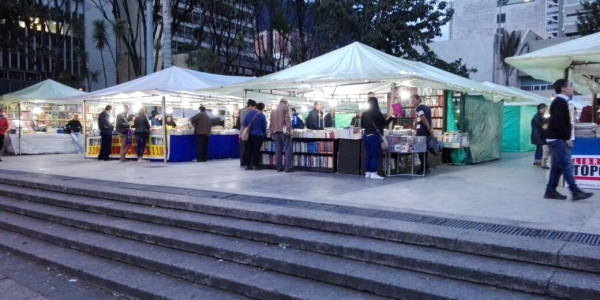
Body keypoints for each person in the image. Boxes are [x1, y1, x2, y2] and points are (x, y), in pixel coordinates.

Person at [544, 79, 593, 201]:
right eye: (569, 86)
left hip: (555, 138)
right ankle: (575, 191)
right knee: (566, 164)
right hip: (557, 139)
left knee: (557, 166)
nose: (572, 89)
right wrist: (566, 138)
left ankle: (550, 190)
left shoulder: (560, 102)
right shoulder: (560, 102)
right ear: (563, 89)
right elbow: (560, 123)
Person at [361, 97, 395, 180]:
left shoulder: (364, 114)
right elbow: (386, 123)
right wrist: (392, 116)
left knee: (368, 156)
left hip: (366, 136)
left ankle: (368, 173)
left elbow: (362, 125)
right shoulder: (378, 113)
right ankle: (374, 173)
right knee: (375, 156)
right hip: (374, 136)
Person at [269, 98, 293, 172]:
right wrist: (289, 129)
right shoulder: (285, 107)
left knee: (278, 149)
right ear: (286, 102)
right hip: (284, 131)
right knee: (287, 148)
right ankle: (288, 167)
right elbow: (287, 119)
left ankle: (279, 167)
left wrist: (272, 132)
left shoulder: (274, 110)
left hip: (276, 131)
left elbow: (271, 122)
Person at [412, 94, 433, 175]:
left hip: (422, 132)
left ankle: (423, 168)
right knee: (424, 150)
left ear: (418, 99)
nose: (412, 102)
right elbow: (428, 119)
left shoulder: (419, 108)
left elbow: (423, 118)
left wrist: (428, 128)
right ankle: (425, 167)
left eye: (413, 100)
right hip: (426, 131)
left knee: (420, 150)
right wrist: (430, 129)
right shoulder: (427, 108)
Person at [243, 102, 266, 170]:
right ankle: (255, 165)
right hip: (258, 135)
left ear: (256, 107)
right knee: (256, 150)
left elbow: (245, 124)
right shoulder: (262, 116)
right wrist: (263, 132)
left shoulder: (248, 114)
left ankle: (247, 164)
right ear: (262, 108)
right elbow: (264, 127)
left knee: (249, 150)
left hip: (250, 134)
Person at [238, 99, 257, 166]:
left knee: (248, 148)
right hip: (244, 132)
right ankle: (244, 162)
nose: (254, 109)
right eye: (254, 107)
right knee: (245, 149)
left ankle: (246, 162)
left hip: (248, 132)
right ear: (250, 106)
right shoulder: (244, 111)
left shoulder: (249, 111)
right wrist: (250, 122)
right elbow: (242, 122)